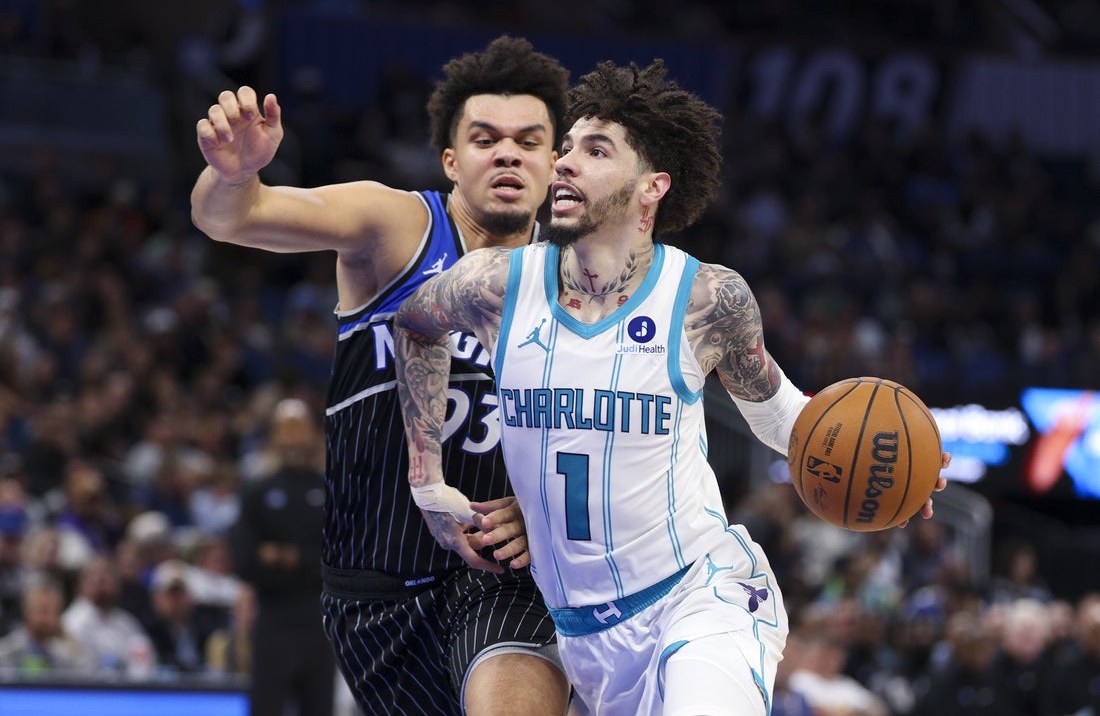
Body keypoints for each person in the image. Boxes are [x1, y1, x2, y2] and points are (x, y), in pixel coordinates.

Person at [393, 59, 950, 714]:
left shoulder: (707, 299)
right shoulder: (493, 284)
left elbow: (782, 417)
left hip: (701, 596)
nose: (564, 163)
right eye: (565, 147)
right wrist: (426, 479)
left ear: (652, 186)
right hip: (584, 641)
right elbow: (415, 327)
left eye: (596, 150)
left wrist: (889, 465)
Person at [190, 36, 572, 715]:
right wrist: (233, 175)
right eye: (486, 139)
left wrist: (547, 509)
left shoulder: (579, 284)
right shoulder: (398, 226)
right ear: (451, 161)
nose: (508, 153)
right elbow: (232, 218)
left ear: (554, 164)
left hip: (504, 576)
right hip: (373, 589)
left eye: (528, 141)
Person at [229, 397, 334, 716]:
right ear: (273, 436)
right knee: (266, 707)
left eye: (298, 428)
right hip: (272, 618)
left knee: (318, 707)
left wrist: (285, 556)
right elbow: (245, 561)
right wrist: (307, 561)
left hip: (319, 620)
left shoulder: (330, 490)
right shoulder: (257, 491)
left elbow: (336, 562)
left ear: (313, 434)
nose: (292, 437)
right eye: (284, 429)